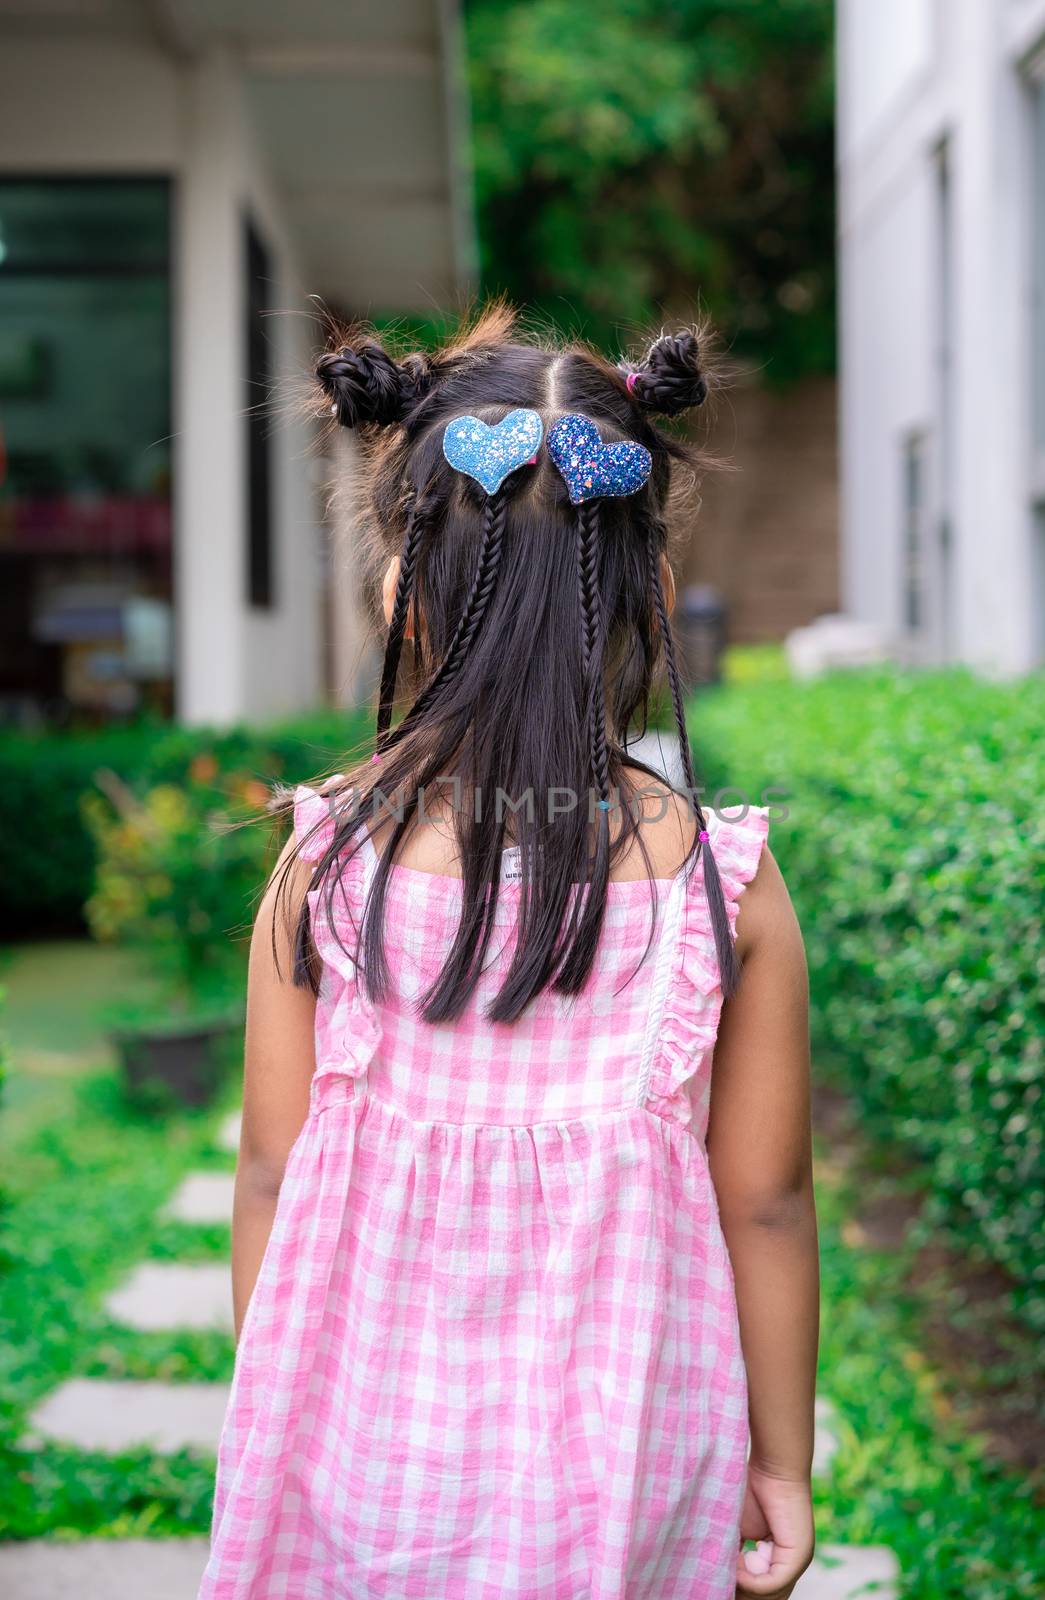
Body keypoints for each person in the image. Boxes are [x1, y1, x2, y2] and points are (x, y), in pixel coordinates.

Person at [198, 306, 818, 1600]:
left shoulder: (324, 865)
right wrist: (781, 1461)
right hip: (624, 1471)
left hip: (364, 1468)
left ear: (394, 584)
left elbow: (268, 1171)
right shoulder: (725, 886)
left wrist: (266, 1429)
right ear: (649, 588)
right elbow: (763, 1203)